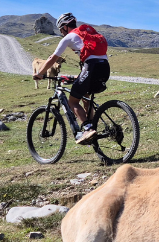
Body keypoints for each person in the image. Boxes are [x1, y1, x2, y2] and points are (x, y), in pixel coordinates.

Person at [32, 13, 110, 145]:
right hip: (105, 67)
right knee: (85, 96)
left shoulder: (68, 37)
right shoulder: (85, 34)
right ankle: (92, 129)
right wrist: (78, 77)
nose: (61, 33)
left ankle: (87, 128)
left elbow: (52, 58)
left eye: (61, 30)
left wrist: (40, 73)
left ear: (64, 27)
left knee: (72, 102)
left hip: (91, 67)